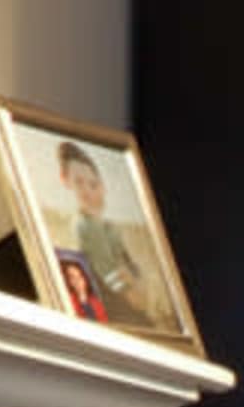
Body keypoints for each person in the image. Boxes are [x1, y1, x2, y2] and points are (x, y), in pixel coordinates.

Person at [52, 140, 180, 341]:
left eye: (93, 184)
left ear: (102, 186)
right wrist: (131, 291)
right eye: (79, 183)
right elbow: (107, 270)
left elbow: (129, 265)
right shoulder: (84, 225)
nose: (87, 191)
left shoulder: (108, 226)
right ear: (66, 181)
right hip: (119, 307)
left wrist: (137, 282)